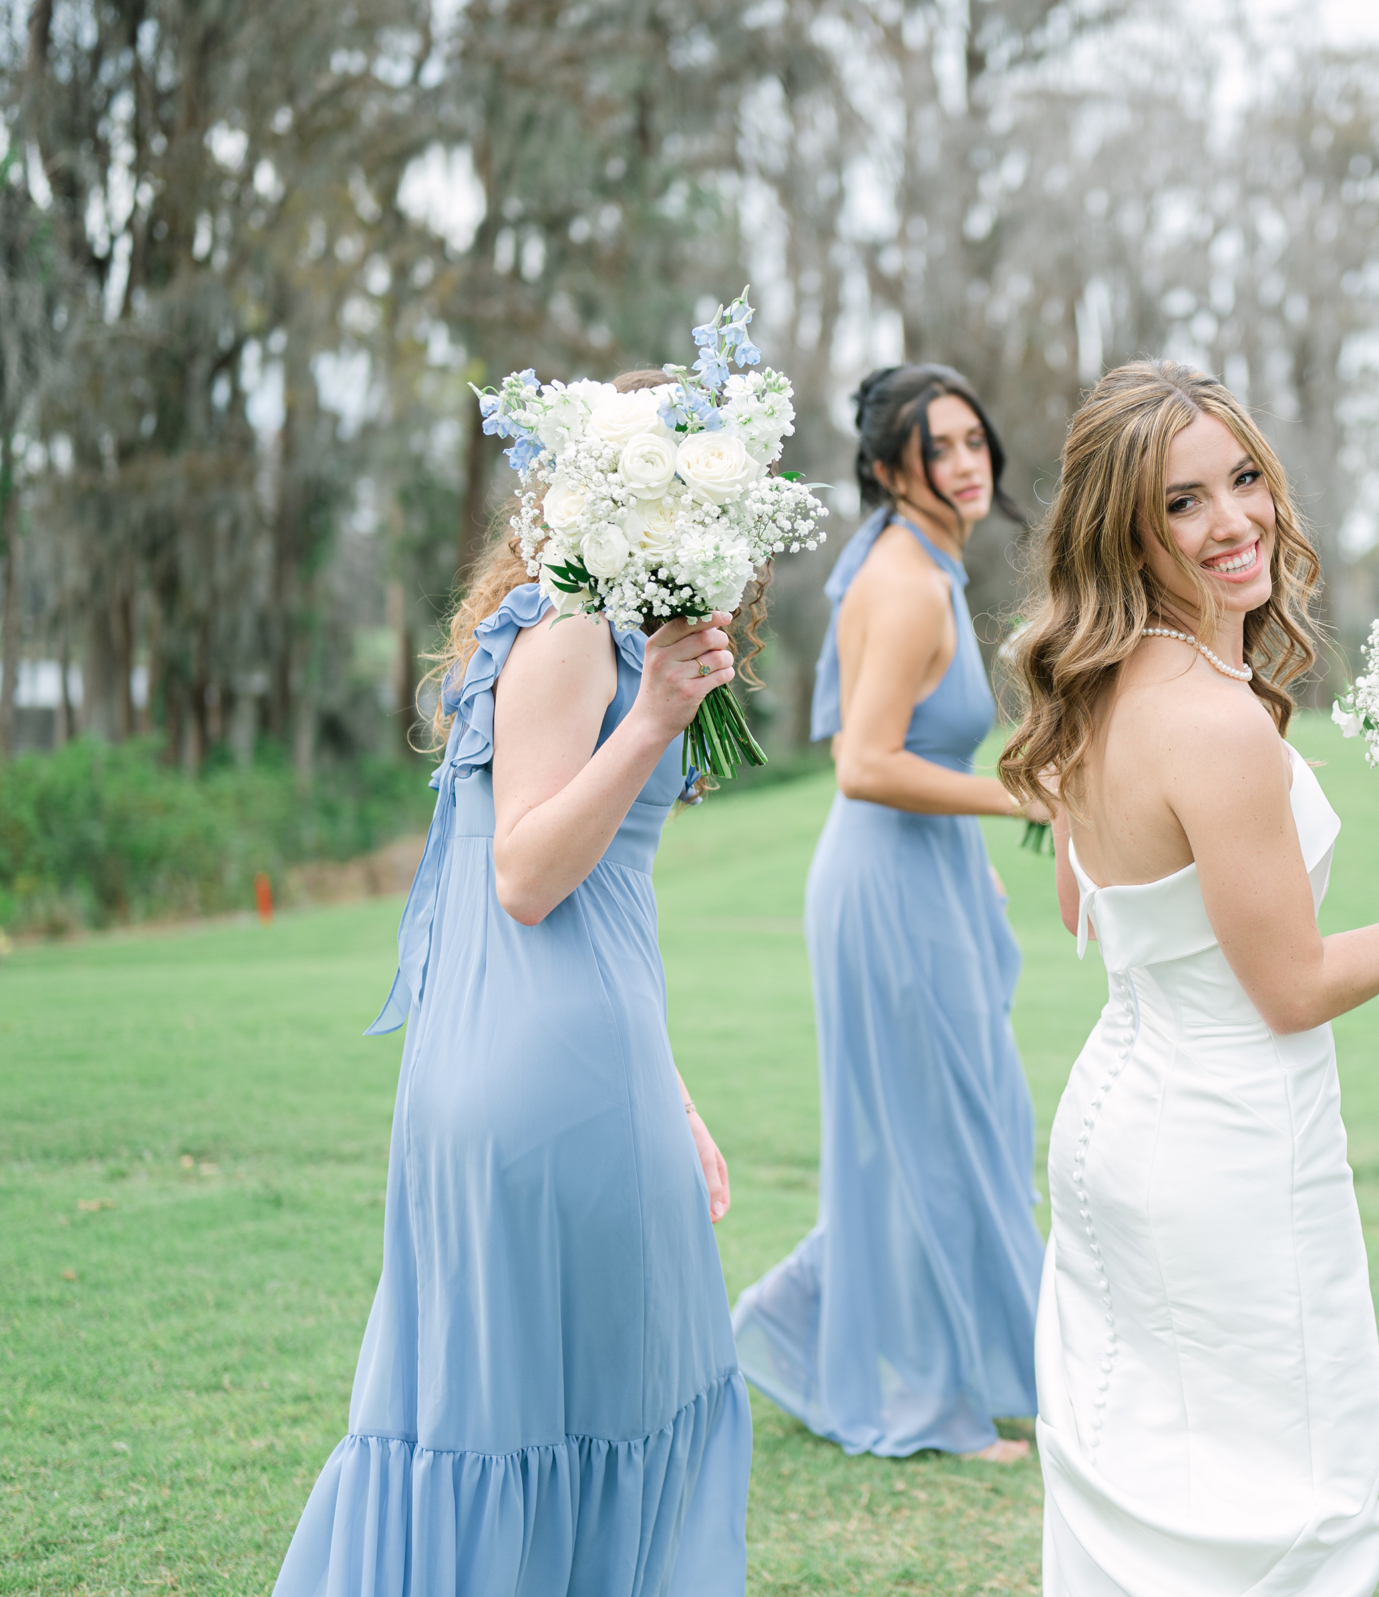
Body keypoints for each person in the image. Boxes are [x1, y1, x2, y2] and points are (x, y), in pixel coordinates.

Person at [997, 360, 1379, 1595]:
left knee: (1154, 1474)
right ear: (1127, 529)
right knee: (1278, 1494)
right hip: (1225, 1140)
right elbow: (1286, 987)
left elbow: (1090, 899)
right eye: (1183, 502)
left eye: (1243, 480)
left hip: (1119, 1118)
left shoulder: (1098, 687)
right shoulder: (1215, 719)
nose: (1232, 521)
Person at [277, 368, 752, 1592]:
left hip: (576, 1060)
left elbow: (593, 904)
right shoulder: (571, 629)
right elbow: (528, 876)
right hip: (542, 1085)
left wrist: (675, 1091)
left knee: (568, 1410)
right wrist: (652, 721)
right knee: (570, 1415)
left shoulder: (597, 626)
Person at [729, 363, 1046, 1463]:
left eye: (972, 441)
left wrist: (971, 849)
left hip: (930, 872)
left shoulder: (927, 569)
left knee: (968, 1124)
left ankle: (806, 1319)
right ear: (883, 471)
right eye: (936, 450)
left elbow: (915, 753)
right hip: (884, 884)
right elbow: (863, 763)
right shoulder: (906, 582)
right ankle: (931, 1404)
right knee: (928, 1136)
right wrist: (1014, 795)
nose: (965, 464)